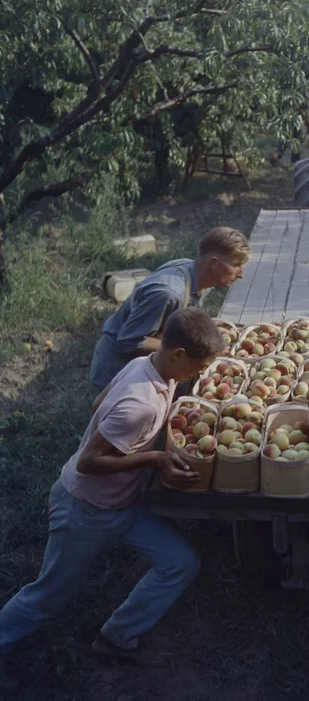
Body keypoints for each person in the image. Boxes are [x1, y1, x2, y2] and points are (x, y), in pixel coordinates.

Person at [0, 308, 226, 691]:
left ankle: (116, 639)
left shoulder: (146, 365)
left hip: (124, 503)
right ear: (178, 355)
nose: (200, 376)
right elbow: (89, 462)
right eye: (199, 367)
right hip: (85, 510)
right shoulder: (139, 403)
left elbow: (96, 406)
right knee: (49, 595)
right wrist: (153, 456)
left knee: (179, 563)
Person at [90, 227, 249, 391]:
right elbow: (129, 341)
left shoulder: (195, 273)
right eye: (236, 265)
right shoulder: (170, 293)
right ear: (214, 263)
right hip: (119, 373)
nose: (241, 274)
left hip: (146, 365)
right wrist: (196, 350)